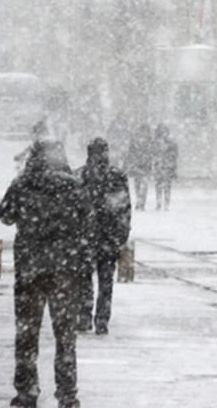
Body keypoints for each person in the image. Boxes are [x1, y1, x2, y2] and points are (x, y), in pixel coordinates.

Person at [0, 139, 85, 408]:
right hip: (64, 268)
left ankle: (27, 391)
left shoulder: (23, 183)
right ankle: (67, 394)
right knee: (65, 335)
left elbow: (4, 215)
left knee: (26, 332)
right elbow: (87, 217)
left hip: (30, 268)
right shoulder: (73, 186)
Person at [75, 138, 132, 335]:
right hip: (108, 236)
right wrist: (121, 235)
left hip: (86, 235)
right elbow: (124, 207)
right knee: (105, 281)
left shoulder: (80, 175)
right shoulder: (116, 175)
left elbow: (73, 208)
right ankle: (101, 319)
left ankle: (84, 316)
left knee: (84, 278)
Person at [124, 123, 152, 210]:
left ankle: (140, 201)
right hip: (142, 164)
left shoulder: (137, 140)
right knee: (141, 184)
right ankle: (140, 201)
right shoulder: (148, 140)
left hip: (140, 164)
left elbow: (130, 152)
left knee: (140, 184)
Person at [152, 124, 178, 211]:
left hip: (165, 166)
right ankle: (160, 202)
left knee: (165, 185)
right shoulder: (156, 142)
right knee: (160, 185)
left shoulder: (169, 143)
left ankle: (165, 203)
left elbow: (175, 154)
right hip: (161, 165)